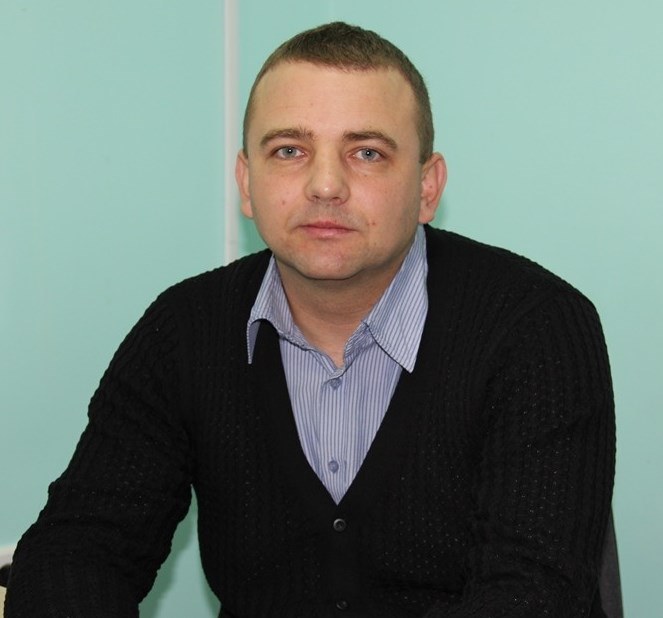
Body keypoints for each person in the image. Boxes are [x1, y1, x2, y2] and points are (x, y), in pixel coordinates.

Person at [5, 22, 615, 618]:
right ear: (247, 183)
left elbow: (532, 593)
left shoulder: (537, 328)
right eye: (289, 151)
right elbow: (77, 551)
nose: (326, 185)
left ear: (428, 188)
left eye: (367, 153)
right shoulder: (183, 331)